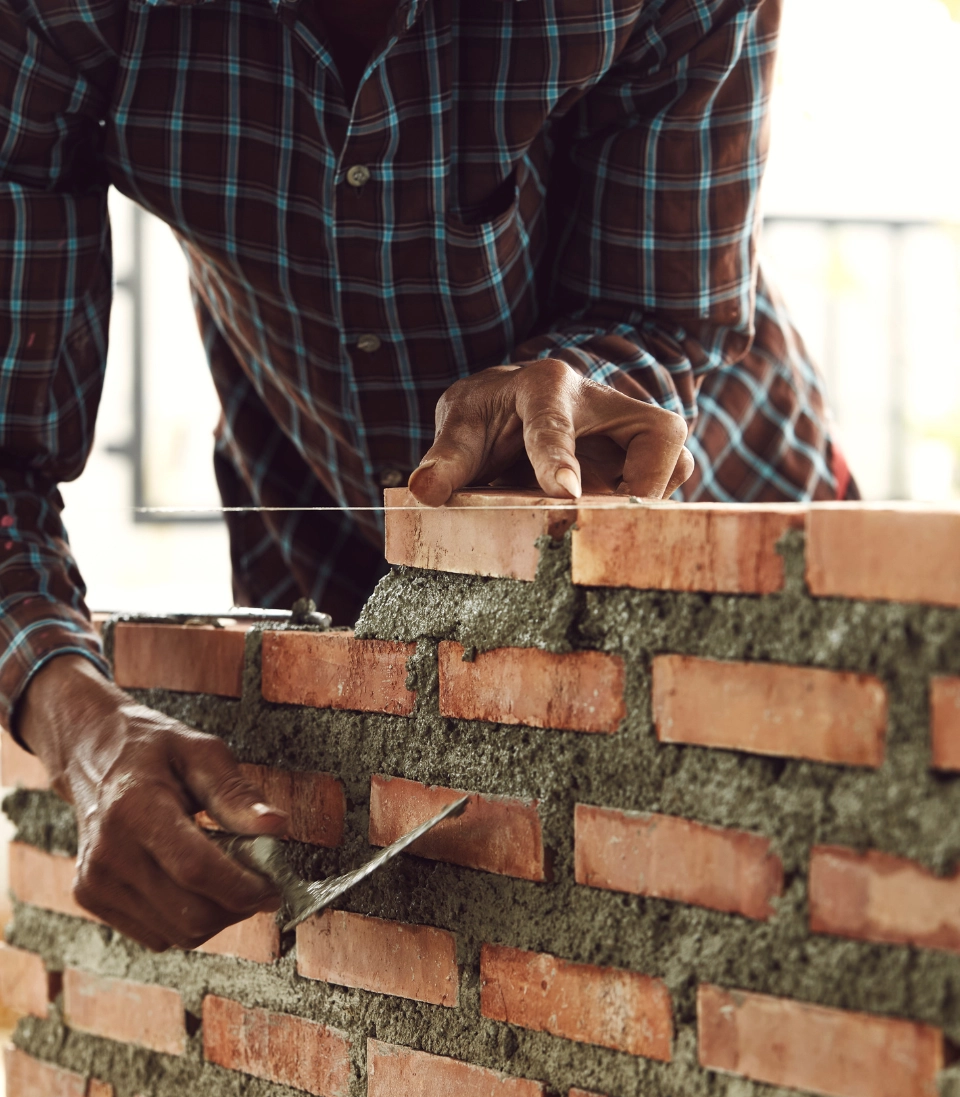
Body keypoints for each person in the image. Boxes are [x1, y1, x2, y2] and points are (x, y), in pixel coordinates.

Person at [0, 0, 855, 951]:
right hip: (341, 556)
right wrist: (79, 721)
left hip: (725, 517)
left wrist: (575, 386)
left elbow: (656, 309)